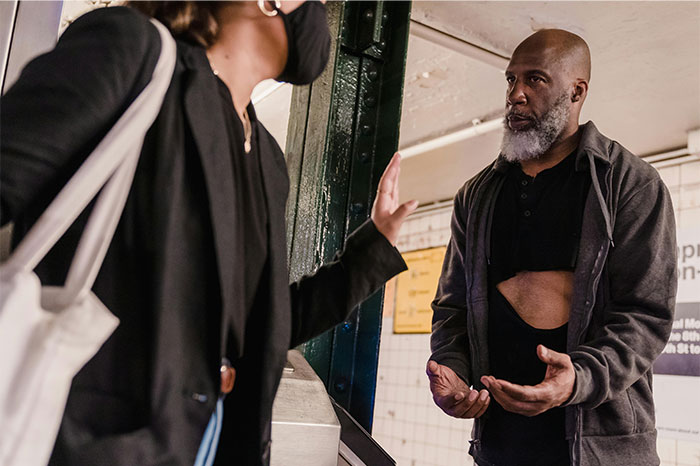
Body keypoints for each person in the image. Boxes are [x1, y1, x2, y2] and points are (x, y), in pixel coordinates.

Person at [0, 2, 418, 465]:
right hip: (88, 444)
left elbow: (263, 330)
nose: (319, 14)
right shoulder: (132, 52)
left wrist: (371, 251)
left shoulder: (268, 160)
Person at [427, 29, 677, 466]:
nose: (516, 95)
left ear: (577, 91)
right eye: (510, 80)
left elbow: (645, 315)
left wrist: (577, 379)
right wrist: (453, 370)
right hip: (500, 446)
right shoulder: (478, 194)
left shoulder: (630, 184)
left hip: (601, 451)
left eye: (535, 79)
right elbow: (452, 309)